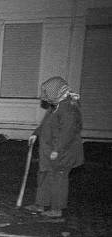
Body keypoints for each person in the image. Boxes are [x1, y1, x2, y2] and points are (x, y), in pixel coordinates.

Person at [25, 76, 83, 218]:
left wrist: (57, 150)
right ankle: (40, 204)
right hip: (48, 150)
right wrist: (35, 134)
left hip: (63, 153)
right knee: (44, 175)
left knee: (58, 179)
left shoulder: (69, 109)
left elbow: (67, 132)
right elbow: (46, 124)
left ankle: (56, 209)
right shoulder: (56, 106)